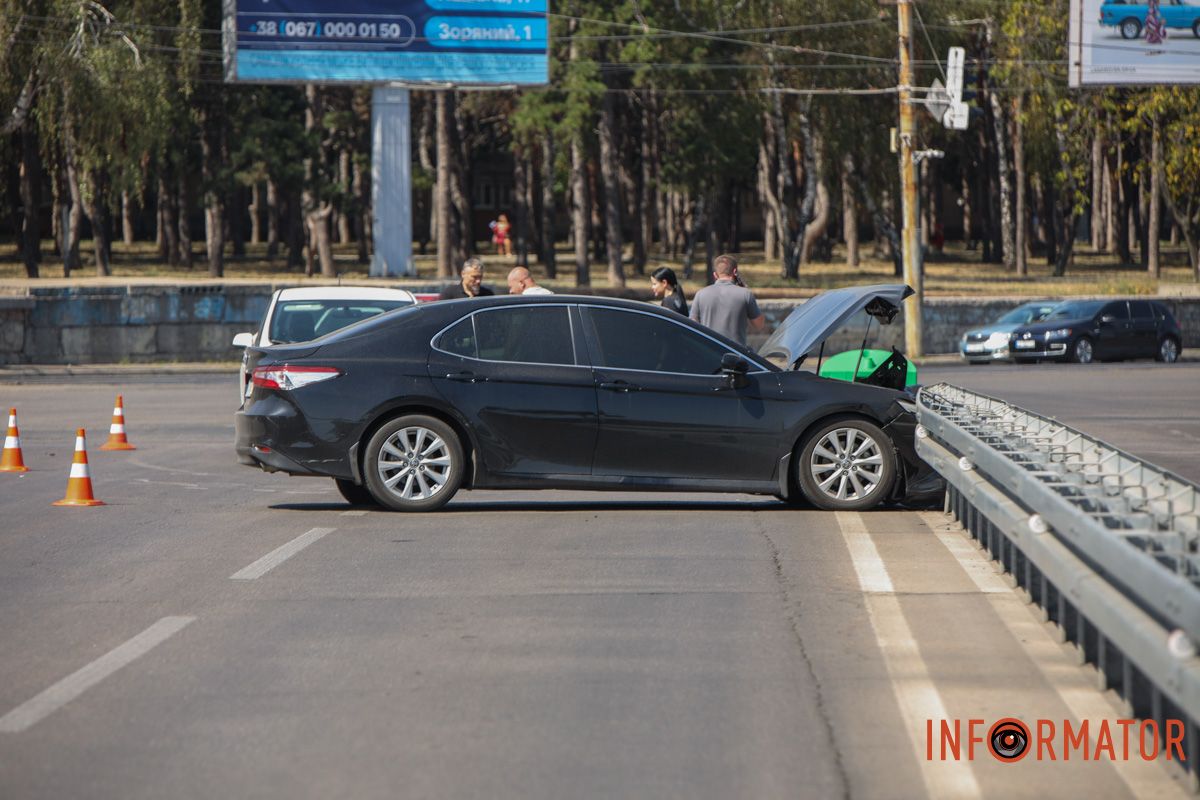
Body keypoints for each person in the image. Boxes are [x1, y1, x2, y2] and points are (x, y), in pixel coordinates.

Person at [689, 254, 765, 345]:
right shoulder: (745, 294)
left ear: (715, 275)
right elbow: (759, 325)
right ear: (735, 272)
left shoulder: (700, 294)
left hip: (708, 350)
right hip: (735, 352)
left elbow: (693, 326)